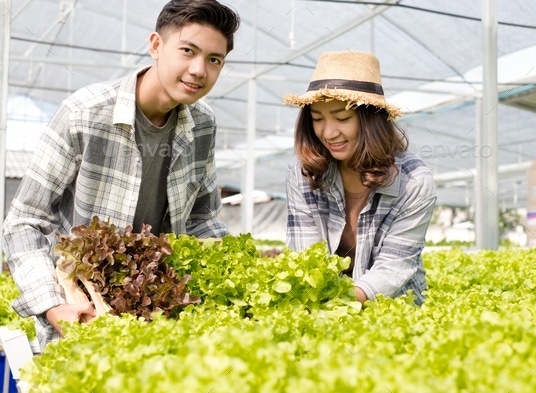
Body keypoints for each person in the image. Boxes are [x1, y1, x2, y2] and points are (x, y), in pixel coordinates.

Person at [3, 0, 240, 348]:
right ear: (156, 46)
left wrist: (234, 267)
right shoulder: (85, 113)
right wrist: (53, 306)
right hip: (81, 318)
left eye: (214, 60)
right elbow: (24, 222)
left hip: (162, 324)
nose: (199, 70)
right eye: (188, 51)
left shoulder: (203, 124)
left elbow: (202, 219)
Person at [283, 51, 436, 306]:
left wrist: (338, 305)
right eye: (317, 118)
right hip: (323, 306)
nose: (329, 132)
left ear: (370, 120)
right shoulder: (302, 173)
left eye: (342, 118)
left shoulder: (414, 183)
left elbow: (393, 269)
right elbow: (305, 256)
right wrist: (316, 303)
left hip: (391, 309)